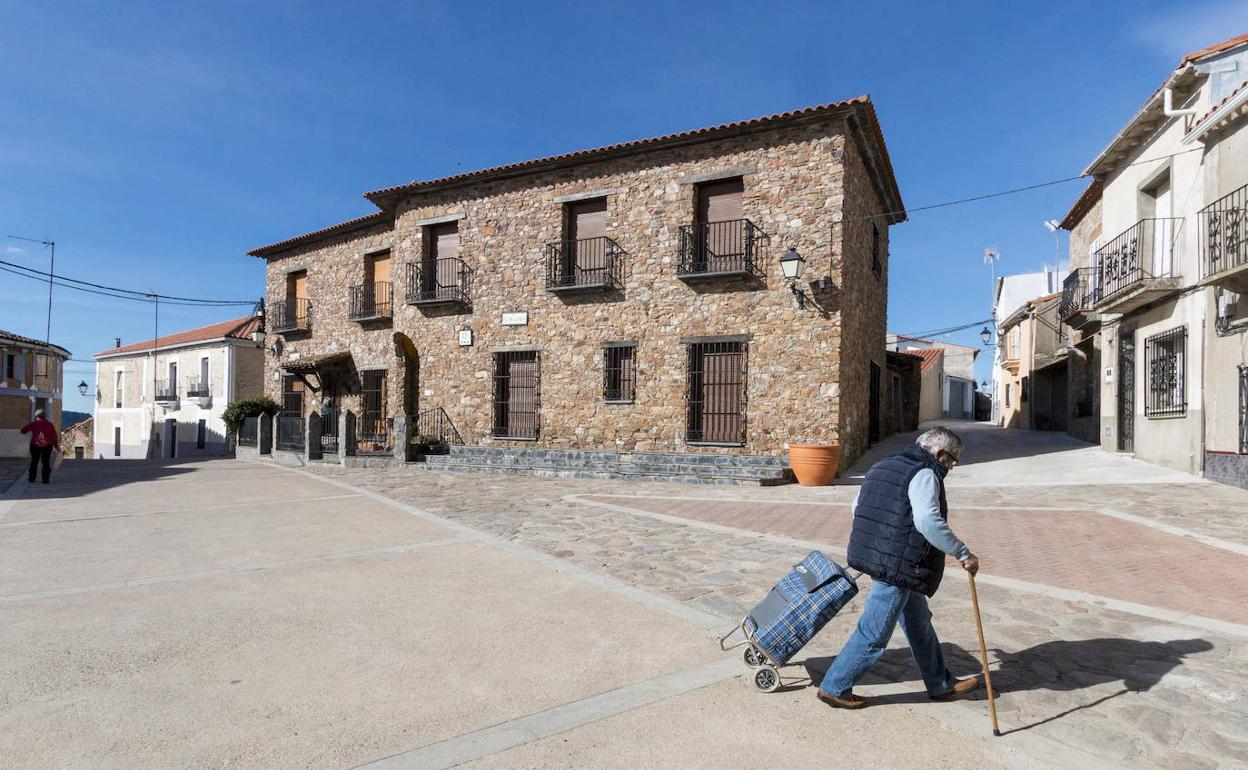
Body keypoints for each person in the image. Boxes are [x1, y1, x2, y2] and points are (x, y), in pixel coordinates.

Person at [817, 426, 980, 709]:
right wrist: (961, 552)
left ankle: (940, 683)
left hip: (886, 557)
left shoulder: (884, 465)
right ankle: (835, 686)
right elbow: (928, 522)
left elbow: (858, 507)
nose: (951, 468)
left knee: (919, 624)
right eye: (952, 461)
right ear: (940, 454)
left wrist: (884, 534)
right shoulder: (925, 473)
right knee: (875, 631)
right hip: (899, 564)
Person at [20, 409, 59, 485]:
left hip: (34, 445)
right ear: (44, 417)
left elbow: (23, 431)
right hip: (47, 445)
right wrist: (56, 446)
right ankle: (45, 479)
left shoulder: (33, 424)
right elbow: (54, 436)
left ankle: (32, 478)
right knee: (45, 462)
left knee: (34, 461)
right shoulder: (50, 425)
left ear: (36, 416)